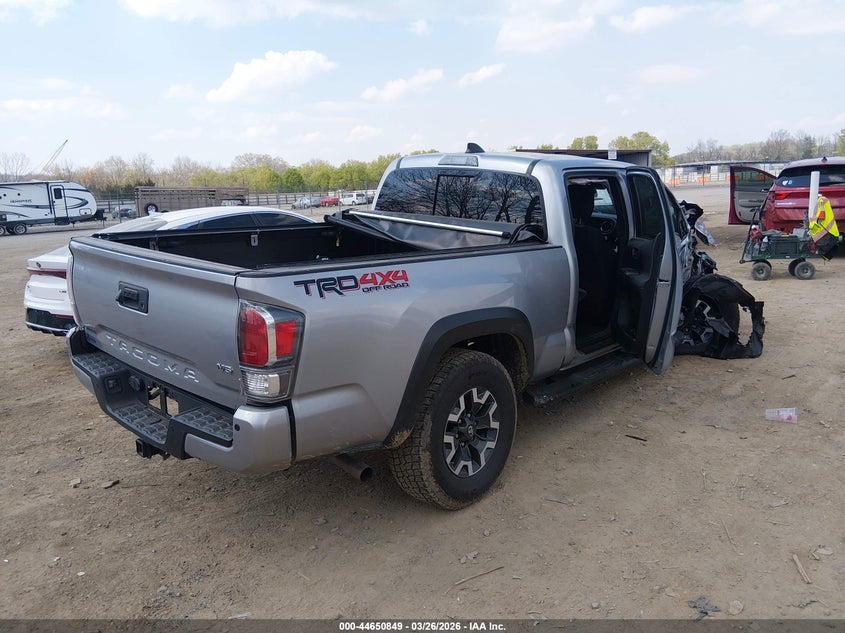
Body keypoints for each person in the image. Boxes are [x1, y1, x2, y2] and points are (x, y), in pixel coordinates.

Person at [809, 195, 840, 259]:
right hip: (830, 233)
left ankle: (825, 255)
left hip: (827, 233)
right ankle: (825, 255)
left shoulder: (821, 201)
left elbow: (821, 218)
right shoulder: (822, 202)